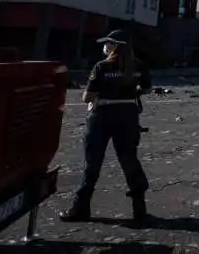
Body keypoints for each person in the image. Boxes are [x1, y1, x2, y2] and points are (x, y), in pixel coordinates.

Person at [59, 29, 152, 223]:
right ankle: (139, 209)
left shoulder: (101, 67)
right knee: (129, 160)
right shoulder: (138, 66)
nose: (106, 46)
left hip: (102, 116)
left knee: (92, 163)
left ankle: (81, 208)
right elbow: (147, 88)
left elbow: (87, 96)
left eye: (109, 42)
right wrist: (132, 92)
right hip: (128, 116)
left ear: (115, 45)